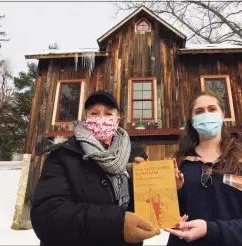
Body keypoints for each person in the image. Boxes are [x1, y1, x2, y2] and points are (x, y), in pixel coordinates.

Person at [30, 90, 160, 246]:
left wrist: (162, 185)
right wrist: (115, 224)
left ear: (117, 121)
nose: (101, 118)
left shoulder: (135, 154)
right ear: (86, 119)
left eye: (108, 114)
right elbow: (47, 215)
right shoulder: (63, 155)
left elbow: (152, 208)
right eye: (94, 113)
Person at [165, 90, 242, 246]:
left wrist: (211, 229)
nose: (206, 115)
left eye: (212, 109)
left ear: (222, 115)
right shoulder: (178, 162)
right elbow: (163, 216)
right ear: (191, 121)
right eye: (199, 111)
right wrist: (171, 191)